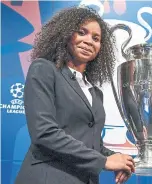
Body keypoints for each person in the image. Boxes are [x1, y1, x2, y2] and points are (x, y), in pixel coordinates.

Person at [15, 7, 135, 184]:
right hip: (47, 177)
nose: (89, 41)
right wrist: (103, 161)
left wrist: (116, 158)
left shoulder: (95, 92)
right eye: (81, 32)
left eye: (96, 38)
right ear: (65, 34)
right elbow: (44, 133)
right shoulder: (44, 69)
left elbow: (90, 142)